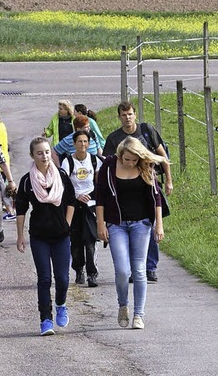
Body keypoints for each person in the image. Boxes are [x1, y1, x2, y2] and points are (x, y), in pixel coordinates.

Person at [96, 136, 165, 330]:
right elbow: (100, 195)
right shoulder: (108, 166)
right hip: (116, 225)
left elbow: (156, 199)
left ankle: (138, 315)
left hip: (141, 224)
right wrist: (100, 224)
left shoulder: (145, 167)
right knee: (122, 270)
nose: (131, 163)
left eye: (134, 160)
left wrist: (158, 225)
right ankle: (123, 304)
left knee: (139, 270)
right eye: (127, 159)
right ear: (120, 154)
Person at [103, 101, 172, 283]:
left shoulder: (146, 130)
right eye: (124, 115)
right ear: (119, 117)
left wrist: (169, 181)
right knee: (132, 228)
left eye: (130, 114)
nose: (127, 118)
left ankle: (149, 267)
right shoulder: (113, 138)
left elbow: (162, 155)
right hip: (123, 188)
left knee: (147, 223)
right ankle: (135, 269)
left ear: (135, 114)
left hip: (148, 183)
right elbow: (107, 163)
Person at [16, 137, 76, 336]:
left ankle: (61, 304)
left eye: (47, 152)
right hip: (39, 236)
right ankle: (45, 320)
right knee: (44, 279)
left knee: (63, 278)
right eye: (40, 153)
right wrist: (20, 236)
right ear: (32, 155)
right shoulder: (27, 181)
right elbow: (21, 209)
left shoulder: (61, 175)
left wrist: (67, 224)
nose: (44, 156)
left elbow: (71, 201)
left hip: (61, 236)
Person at [61, 129, 101, 287]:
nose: (83, 144)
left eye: (85, 141)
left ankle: (92, 273)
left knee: (91, 239)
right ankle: (79, 269)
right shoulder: (68, 162)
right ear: (74, 144)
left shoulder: (95, 160)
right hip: (74, 205)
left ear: (89, 143)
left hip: (90, 205)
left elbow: (99, 182)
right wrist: (77, 196)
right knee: (76, 240)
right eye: (79, 141)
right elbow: (64, 184)